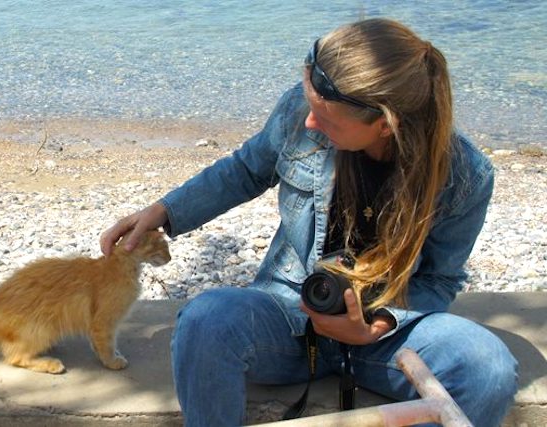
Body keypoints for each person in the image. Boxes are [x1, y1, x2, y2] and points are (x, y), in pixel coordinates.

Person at [100, 18, 518, 427]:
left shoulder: (465, 175)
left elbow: (440, 282)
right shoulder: (303, 108)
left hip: (385, 337)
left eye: (327, 118)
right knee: (205, 319)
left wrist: (378, 324)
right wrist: (165, 212)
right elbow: (245, 171)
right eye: (310, 104)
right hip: (290, 317)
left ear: (386, 125)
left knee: (489, 367)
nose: (309, 122)